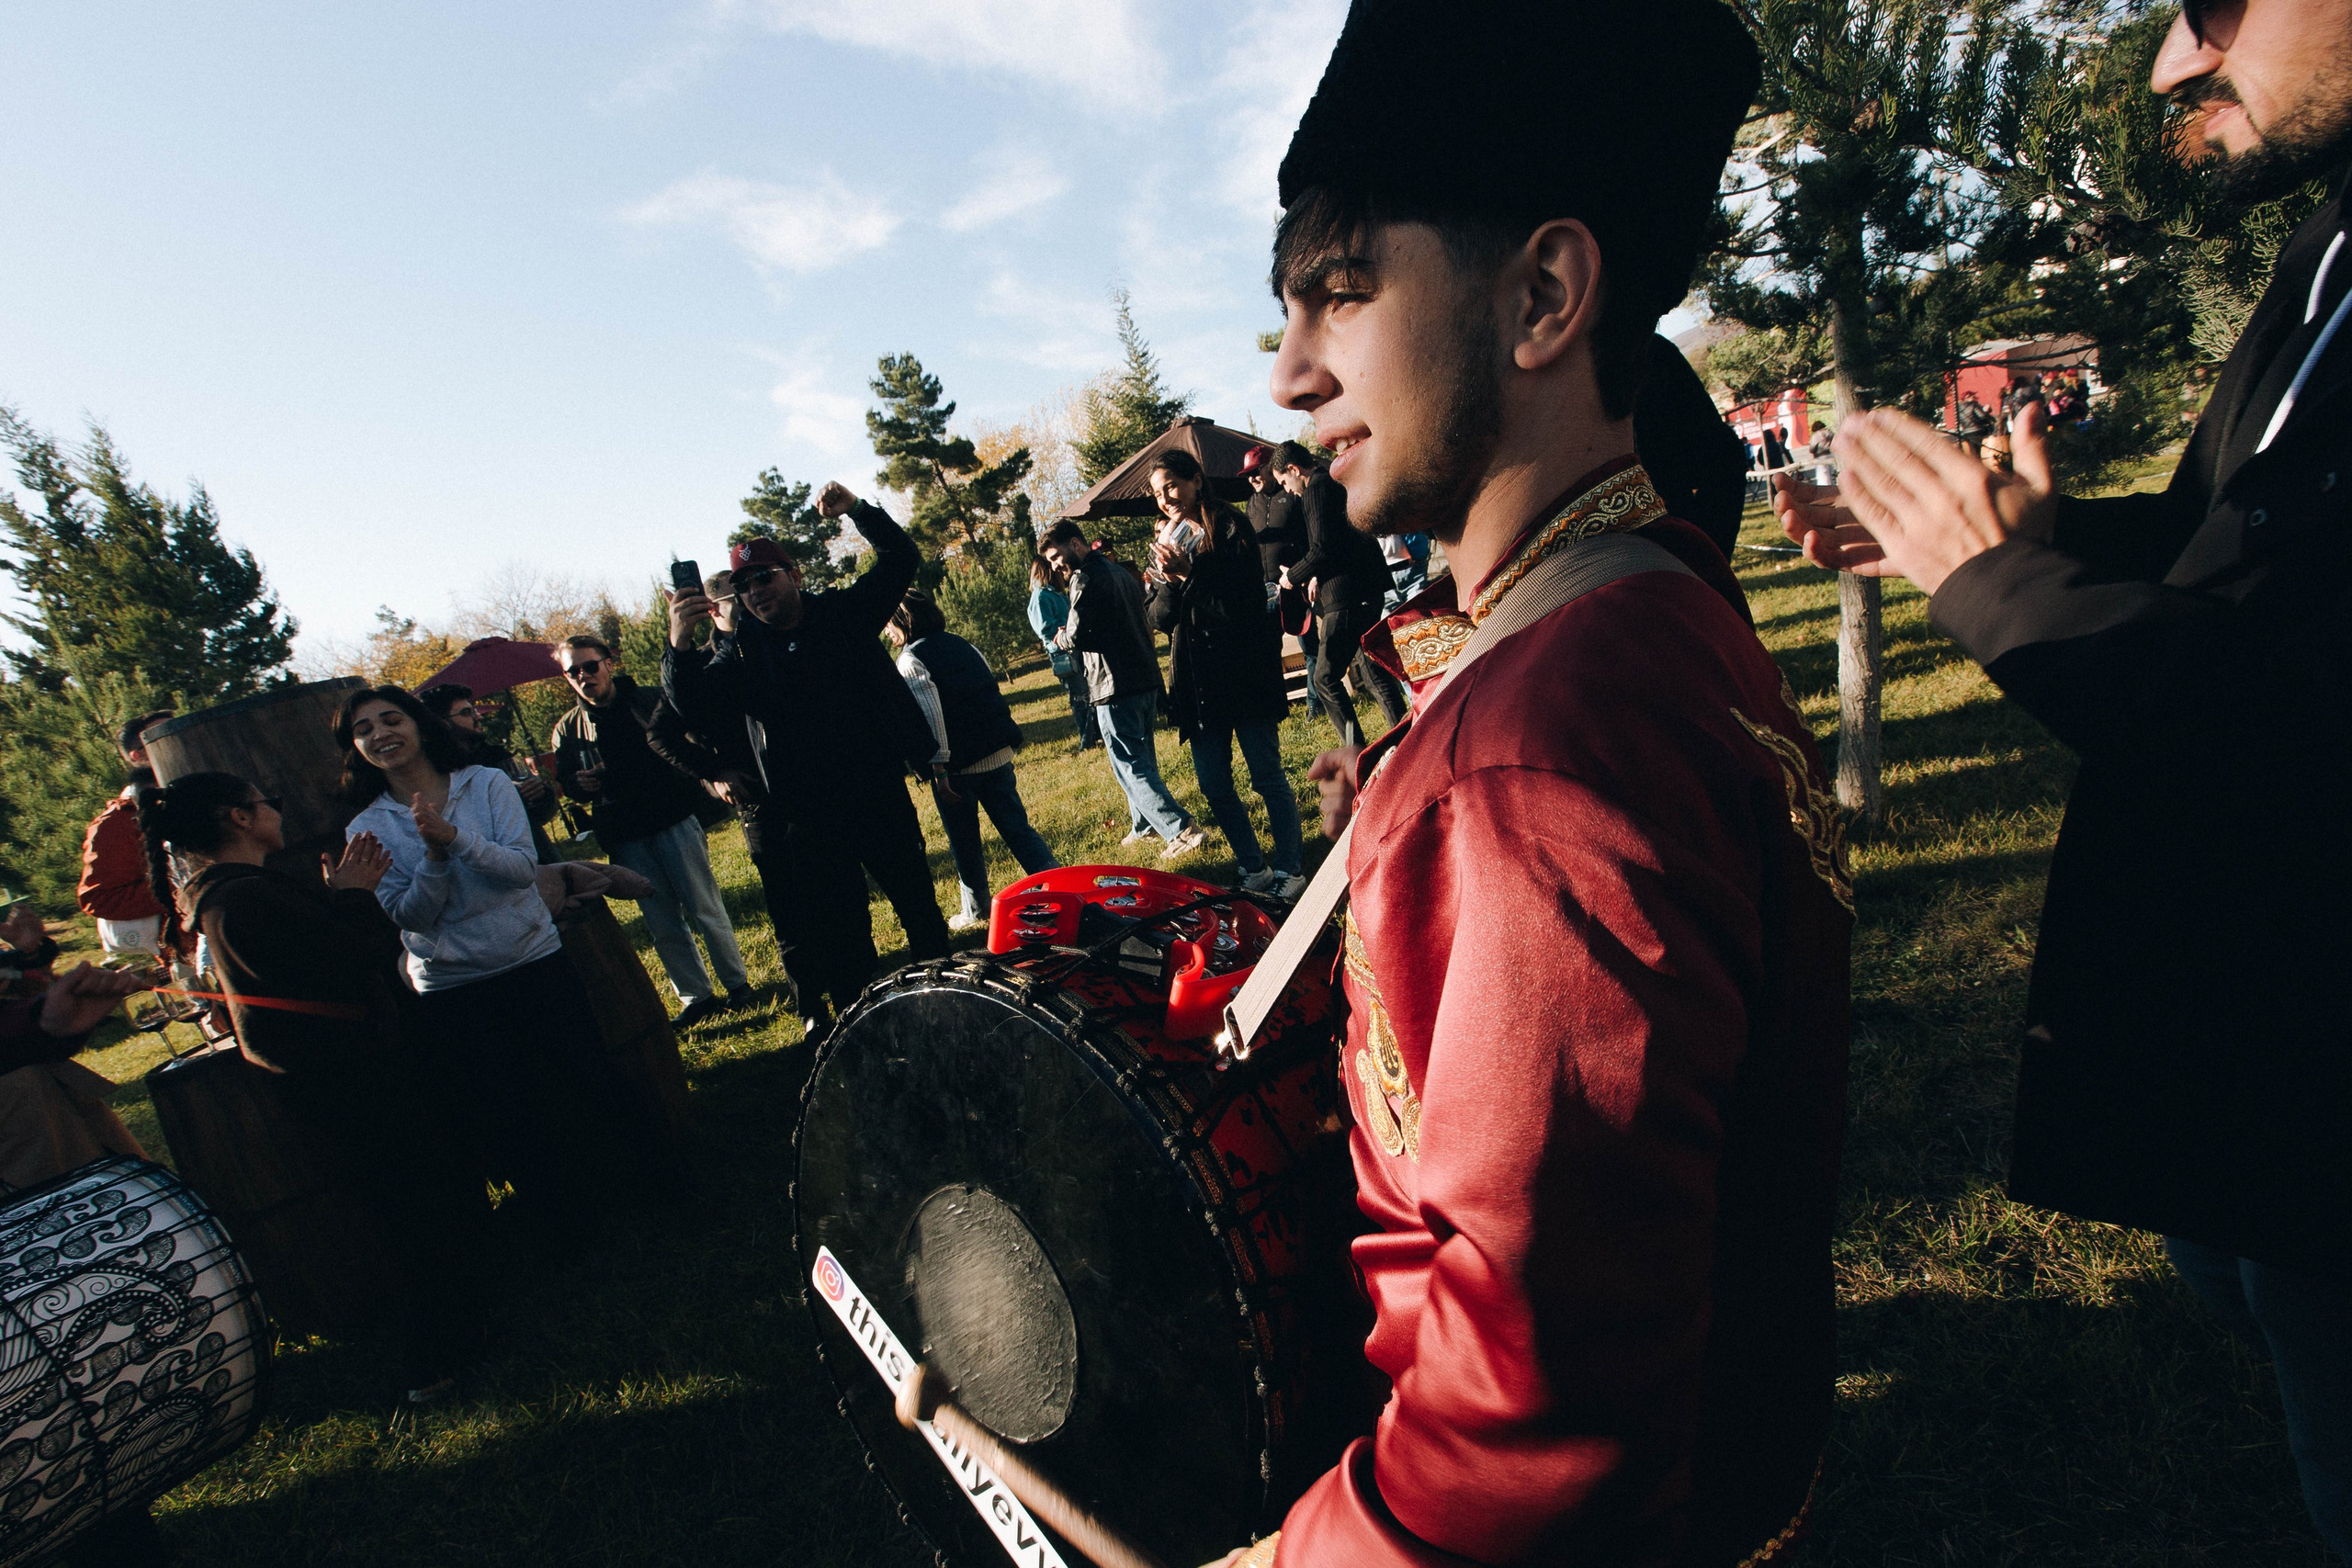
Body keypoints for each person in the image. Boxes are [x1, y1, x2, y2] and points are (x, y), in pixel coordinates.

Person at [1227, 4, 1851, 1563]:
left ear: (1546, 295)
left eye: (1342, 296)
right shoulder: (1656, 605)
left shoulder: (1545, 739)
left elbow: (1523, 1445)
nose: (1293, 375)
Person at [1778, 2, 2352, 1551]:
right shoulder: (2330, 244)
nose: (2177, 57)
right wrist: (2041, 546)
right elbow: (2245, 555)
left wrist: (1999, 592)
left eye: (2216, 1)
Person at [136, 771, 489, 1402]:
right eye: (266, 801)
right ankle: (434, 1359)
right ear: (238, 818)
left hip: (345, 1074)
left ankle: (469, 1321)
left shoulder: (240, 892)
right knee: (411, 1213)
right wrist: (354, 894)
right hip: (347, 1080)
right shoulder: (238, 899)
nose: (276, 808)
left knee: (425, 1198)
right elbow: (347, 959)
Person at [334, 685, 625, 1234]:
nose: (380, 734)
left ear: (419, 726)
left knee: (584, 1080)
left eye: (390, 719)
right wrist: (437, 859)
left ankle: (630, 1190)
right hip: (452, 987)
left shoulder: (486, 784)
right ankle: (560, 1219)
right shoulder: (366, 829)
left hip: (532, 959)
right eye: (364, 729)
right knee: (508, 1109)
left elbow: (519, 871)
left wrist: (455, 838)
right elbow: (410, 915)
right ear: (355, 749)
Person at [662, 484, 952, 1031]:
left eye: (764, 577)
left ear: (793, 575)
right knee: (845, 932)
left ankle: (945, 999)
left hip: (875, 792)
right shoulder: (742, 654)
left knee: (917, 906)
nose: (754, 591)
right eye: (743, 586)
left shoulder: (844, 613)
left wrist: (858, 511)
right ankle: (865, 1030)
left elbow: (900, 559)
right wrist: (678, 646)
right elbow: (691, 709)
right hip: (808, 815)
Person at [551, 637, 751, 1029]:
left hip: (672, 818)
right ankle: (697, 997)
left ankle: (737, 985)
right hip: (625, 835)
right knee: (662, 925)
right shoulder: (568, 729)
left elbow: (686, 743)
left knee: (705, 908)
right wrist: (578, 785)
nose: (583, 677)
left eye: (589, 666)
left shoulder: (649, 700)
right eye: (572, 672)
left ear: (609, 663)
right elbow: (566, 781)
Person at [1142, 451, 1305, 897]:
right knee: (1214, 783)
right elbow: (1159, 616)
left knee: (1266, 775)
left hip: (1244, 673)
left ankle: (1291, 867)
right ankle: (1254, 867)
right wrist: (1172, 582)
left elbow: (1243, 606)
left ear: (1196, 480)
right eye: (1158, 493)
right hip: (1199, 683)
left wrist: (1191, 573)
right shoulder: (1168, 538)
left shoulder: (1231, 527)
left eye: (1172, 485)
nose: (1166, 498)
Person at [886, 589, 1058, 933]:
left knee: (964, 841)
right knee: (1018, 829)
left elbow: (931, 717)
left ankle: (976, 910)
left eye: (889, 625)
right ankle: (1060, 885)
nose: (887, 632)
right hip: (998, 753)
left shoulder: (910, 659)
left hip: (958, 768)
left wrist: (938, 768)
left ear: (902, 621)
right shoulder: (962, 643)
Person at [1038, 518, 1208, 859]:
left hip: (1112, 683)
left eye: (1057, 556)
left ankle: (1180, 829)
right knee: (1142, 758)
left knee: (1129, 764)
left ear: (1075, 543)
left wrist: (1061, 637)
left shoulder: (1084, 578)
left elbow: (1078, 632)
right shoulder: (1119, 572)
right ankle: (1143, 826)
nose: (1057, 566)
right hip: (1143, 676)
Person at [1272, 441, 1408, 740]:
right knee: (1374, 673)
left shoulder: (1315, 490)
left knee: (1324, 679)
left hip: (1346, 595)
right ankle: (1408, 737)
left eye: (1284, 482)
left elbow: (1322, 548)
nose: (1288, 491)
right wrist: (1317, 574)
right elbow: (1340, 540)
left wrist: (1293, 577)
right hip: (1365, 588)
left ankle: (1354, 748)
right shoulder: (1333, 482)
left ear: (1294, 469)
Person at [1633, 330, 1751, 558]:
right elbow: (1725, 456)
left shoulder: (1648, 354)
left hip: (1663, 555)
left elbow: (1724, 457)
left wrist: (1704, 559)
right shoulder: (1650, 352)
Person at [77, 709, 185, 960]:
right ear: (138, 756)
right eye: (165, 738)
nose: (180, 742)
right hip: (187, 948)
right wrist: (183, 888)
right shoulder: (117, 822)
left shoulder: (214, 792)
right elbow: (99, 898)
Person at [418, 682, 561, 863]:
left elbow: (543, 814)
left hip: (539, 861)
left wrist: (541, 795)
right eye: (466, 713)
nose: (477, 717)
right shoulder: (434, 774)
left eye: (473, 710)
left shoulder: (497, 757)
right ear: (442, 723)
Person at [1027, 554, 1101, 750]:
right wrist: (1064, 629)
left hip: (1073, 648)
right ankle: (1087, 741)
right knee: (1079, 698)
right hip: (1062, 654)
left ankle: (1095, 733)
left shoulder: (1055, 593)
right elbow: (1044, 628)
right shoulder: (1040, 596)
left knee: (1089, 693)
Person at [1955, 389, 1996, 457]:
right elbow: (1982, 416)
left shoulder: (1958, 408)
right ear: (1968, 397)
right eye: (1973, 397)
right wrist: (1986, 412)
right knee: (1984, 449)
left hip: (1967, 432)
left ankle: (1975, 464)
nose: (1975, 398)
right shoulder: (1973, 405)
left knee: (1973, 452)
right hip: (1978, 431)